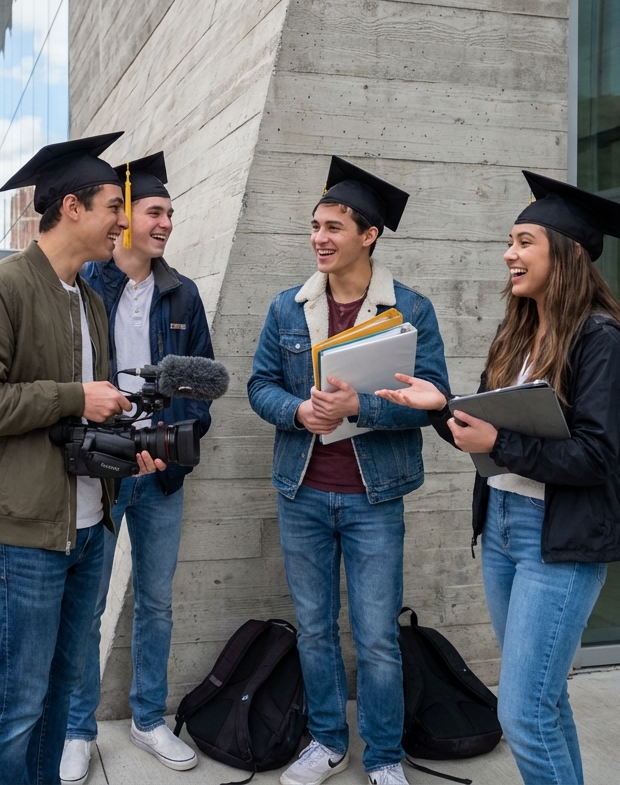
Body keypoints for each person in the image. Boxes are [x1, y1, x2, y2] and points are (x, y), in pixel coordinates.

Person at [376, 171, 620, 785]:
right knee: (544, 703)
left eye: (524, 241)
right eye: (510, 241)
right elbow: (484, 432)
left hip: (557, 541)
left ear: (568, 254)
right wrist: (439, 408)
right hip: (502, 528)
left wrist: (499, 439)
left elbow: (595, 457)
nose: (510, 254)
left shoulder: (601, 341)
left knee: (523, 712)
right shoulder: (522, 331)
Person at [0, 132, 166, 785]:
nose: (121, 225)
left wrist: (130, 448)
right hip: (25, 535)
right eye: (111, 211)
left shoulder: (89, 300)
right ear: (71, 208)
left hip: (90, 528)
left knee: (62, 694)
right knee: (16, 700)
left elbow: (83, 419)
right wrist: (75, 396)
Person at [247, 157, 449, 785]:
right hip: (302, 492)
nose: (320, 239)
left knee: (377, 637)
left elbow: (436, 398)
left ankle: (384, 757)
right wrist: (297, 409)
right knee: (314, 628)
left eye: (334, 227)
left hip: (373, 497)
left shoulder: (409, 308)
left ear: (370, 236)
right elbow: (258, 386)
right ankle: (329, 742)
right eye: (315, 226)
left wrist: (362, 405)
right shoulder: (288, 308)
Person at [60, 151, 214, 783]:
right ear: (123, 217)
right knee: (87, 603)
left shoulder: (183, 294)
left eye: (171, 214)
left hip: (160, 475)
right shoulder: (87, 287)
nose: (166, 224)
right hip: (98, 471)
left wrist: (173, 443)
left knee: (155, 600)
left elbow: (203, 387)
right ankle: (75, 727)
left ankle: (149, 718)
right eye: (155, 211)